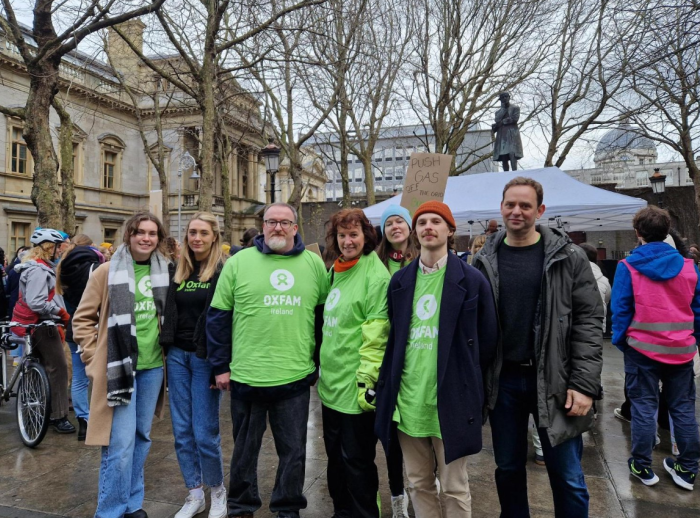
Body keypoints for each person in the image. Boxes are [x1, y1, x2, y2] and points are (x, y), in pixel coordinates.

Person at [473, 177, 603, 517]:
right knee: (509, 469)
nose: (517, 211)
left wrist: (584, 384)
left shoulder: (569, 257)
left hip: (556, 381)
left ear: (540, 211)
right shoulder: (484, 259)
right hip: (503, 384)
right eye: (510, 204)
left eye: (525, 206)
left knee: (568, 477)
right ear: (501, 208)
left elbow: (589, 322)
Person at [375, 201, 497, 517]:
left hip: (452, 400)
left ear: (449, 230)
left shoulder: (472, 280)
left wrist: (473, 387)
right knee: (417, 483)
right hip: (408, 400)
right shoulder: (399, 282)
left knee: (455, 487)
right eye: (422, 222)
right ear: (415, 232)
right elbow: (395, 339)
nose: (429, 227)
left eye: (436, 221)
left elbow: (487, 341)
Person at [206, 202, 328, 518]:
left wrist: (316, 363)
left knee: (294, 453)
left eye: (284, 222)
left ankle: (287, 508)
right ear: (262, 226)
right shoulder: (238, 262)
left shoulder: (314, 265)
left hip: (294, 379)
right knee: (244, 452)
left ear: (295, 228)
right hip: (246, 377)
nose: (277, 228)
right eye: (271, 222)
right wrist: (220, 365)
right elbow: (218, 317)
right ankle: (241, 507)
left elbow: (323, 318)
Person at [73, 211, 172, 518]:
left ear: (159, 238)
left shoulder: (166, 270)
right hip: (119, 369)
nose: (146, 238)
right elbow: (82, 319)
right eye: (140, 232)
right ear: (129, 235)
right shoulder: (105, 272)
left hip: (153, 368)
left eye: (152, 233)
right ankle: (110, 511)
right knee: (119, 444)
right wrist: (92, 360)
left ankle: (132, 504)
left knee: (141, 438)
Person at [611, 206, 700, 490]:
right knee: (683, 409)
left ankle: (642, 464)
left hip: (641, 349)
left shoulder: (627, 267)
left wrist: (620, 341)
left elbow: (621, 310)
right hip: (681, 351)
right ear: (667, 232)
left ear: (637, 233)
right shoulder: (690, 267)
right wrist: (691, 338)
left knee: (644, 408)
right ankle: (687, 469)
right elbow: (697, 310)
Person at [319, 209, 390, 518]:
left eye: (354, 235)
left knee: (357, 460)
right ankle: (341, 511)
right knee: (334, 458)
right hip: (330, 386)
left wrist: (367, 380)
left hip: (356, 386)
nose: (348, 241)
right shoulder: (334, 270)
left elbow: (377, 331)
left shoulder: (375, 275)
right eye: (342, 235)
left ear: (367, 236)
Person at [160, 212, 227, 518]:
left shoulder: (223, 272)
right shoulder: (178, 270)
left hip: (204, 358)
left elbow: (225, 321)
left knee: (204, 432)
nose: (196, 238)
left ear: (214, 237)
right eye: (192, 232)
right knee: (182, 431)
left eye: (203, 233)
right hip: (177, 356)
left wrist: (220, 363)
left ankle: (217, 490)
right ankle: (194, 493)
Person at [11, 228, 76, 434]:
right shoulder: (39, 269)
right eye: (58, 247)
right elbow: (36, 302)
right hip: (44, 325)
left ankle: (40, 413)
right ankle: (59, 416)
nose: (59, 251)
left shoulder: (35, 266)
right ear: (49, 247)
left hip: (36, 325)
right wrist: (61, 313)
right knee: (58, 369)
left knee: (40, 368)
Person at [56, 237, 105, 440]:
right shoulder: (94, 271)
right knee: (99, 376)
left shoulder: (63, 271)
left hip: (72, 331)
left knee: (79, 379)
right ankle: (98, 419)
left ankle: (83, 420)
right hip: (93, 329)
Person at [377, 204, 418, 277]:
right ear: (384, 232)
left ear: (409, 227)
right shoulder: (376, 262)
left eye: (399, 221)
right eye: (389, 224)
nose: (395, 227)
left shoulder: (423, 258)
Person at [491, 92, 524, 171]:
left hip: (512, 133)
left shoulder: (515, 108)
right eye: (503, 97)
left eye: (506, 96)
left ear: (509, 97)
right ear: (500, 99)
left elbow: (514, 119)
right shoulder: (498, 112)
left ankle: (514, 172)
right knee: (503, 155)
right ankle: (506, 174)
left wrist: (502, 122)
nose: (505, 98)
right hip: (501, 135)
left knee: (512, 153)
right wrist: (503, 109)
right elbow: (497, 120)